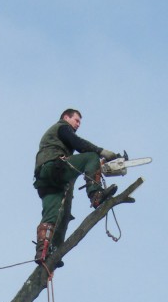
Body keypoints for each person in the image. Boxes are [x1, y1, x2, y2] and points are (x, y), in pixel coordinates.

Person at [32, 109, 121, 264]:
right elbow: (78, 144)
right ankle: (95, 194)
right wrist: (101, 152)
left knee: (60, 215)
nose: (78, 124)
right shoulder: (61, 127)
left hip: (46, 181)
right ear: (66, 117)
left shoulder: (58, 134)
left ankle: (47, 252)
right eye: (76, 120)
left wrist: (95, 167)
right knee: (91, 156)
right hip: (54, 167)